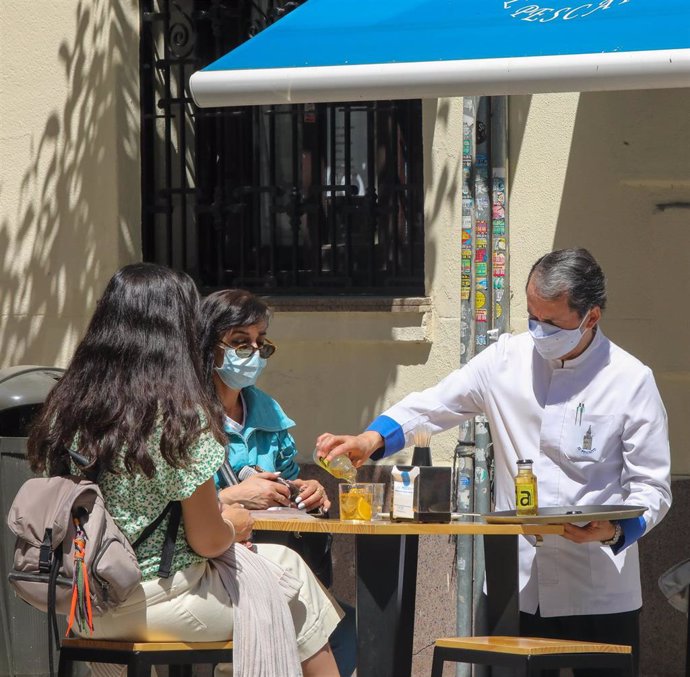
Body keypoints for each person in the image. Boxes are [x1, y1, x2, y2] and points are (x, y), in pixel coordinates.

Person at [316, 248, 672, 677]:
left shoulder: (631, 380)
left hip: (598, 587)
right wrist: (370, 439)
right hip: (516, 583)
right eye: (531, 316)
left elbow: (653, 489)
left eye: (552, 323)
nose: (538, 331)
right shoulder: (506, 359)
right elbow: (432, 405)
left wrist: (615, 529)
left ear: (591, 317)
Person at [27, 263, 342, 677]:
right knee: (290, 577)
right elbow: (209, 540)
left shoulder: (68, 406)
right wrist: (235, 521)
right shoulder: (177, 416)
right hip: (152, 598)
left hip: (77, 602)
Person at [199, 288, 357, 677]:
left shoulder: (269, 412)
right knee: (324, 623)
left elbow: (286, 478)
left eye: (259, 344)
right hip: (217, 557)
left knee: (347, 626)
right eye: (240, 343)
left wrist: (306, 490)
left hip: (277, 547)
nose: (251, 354)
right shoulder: (187, 415)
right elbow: (175, 502)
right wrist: (231, 496)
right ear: (208, 346)